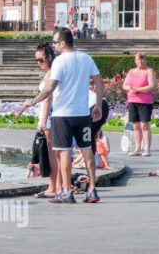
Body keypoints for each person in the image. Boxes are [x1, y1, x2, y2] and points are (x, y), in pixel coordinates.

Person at [23, 28, 103, 204]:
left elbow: (50, 88)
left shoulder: (59, 62)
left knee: (64, 153)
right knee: (87, 150)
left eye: (55, 42)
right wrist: (97, 105)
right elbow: (98, 81)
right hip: (82, 114)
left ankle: (66, 192)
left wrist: (33, 100)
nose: (53, 45)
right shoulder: (86, 58)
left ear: (62, 43)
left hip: (62, 116)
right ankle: (92, 190)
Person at [32, 42, 62, 198]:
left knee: (52, 154)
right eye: (37, 60)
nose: (39, 63)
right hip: (50, 115)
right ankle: (57, 186)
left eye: (41, 59)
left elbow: (48, 99)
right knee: (55, 153)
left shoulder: (51, 73)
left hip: (49, 116)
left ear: (49, 57)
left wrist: (42, 121)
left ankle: (53, 187)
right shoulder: (50, 72)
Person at [123, 53, 156, 156]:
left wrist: (138, 89)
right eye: (138, 60)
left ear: (145, 60)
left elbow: (152, 86)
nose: (140, 62)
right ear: (135, 60)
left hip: (145, 102)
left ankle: (146, 149)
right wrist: (130, 88)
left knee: (144, 125)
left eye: (142, 60)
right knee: (136, 125)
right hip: (132, 100)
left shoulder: (149, 71)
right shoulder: (131, 71)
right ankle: (137, 148)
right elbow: (125, 85)